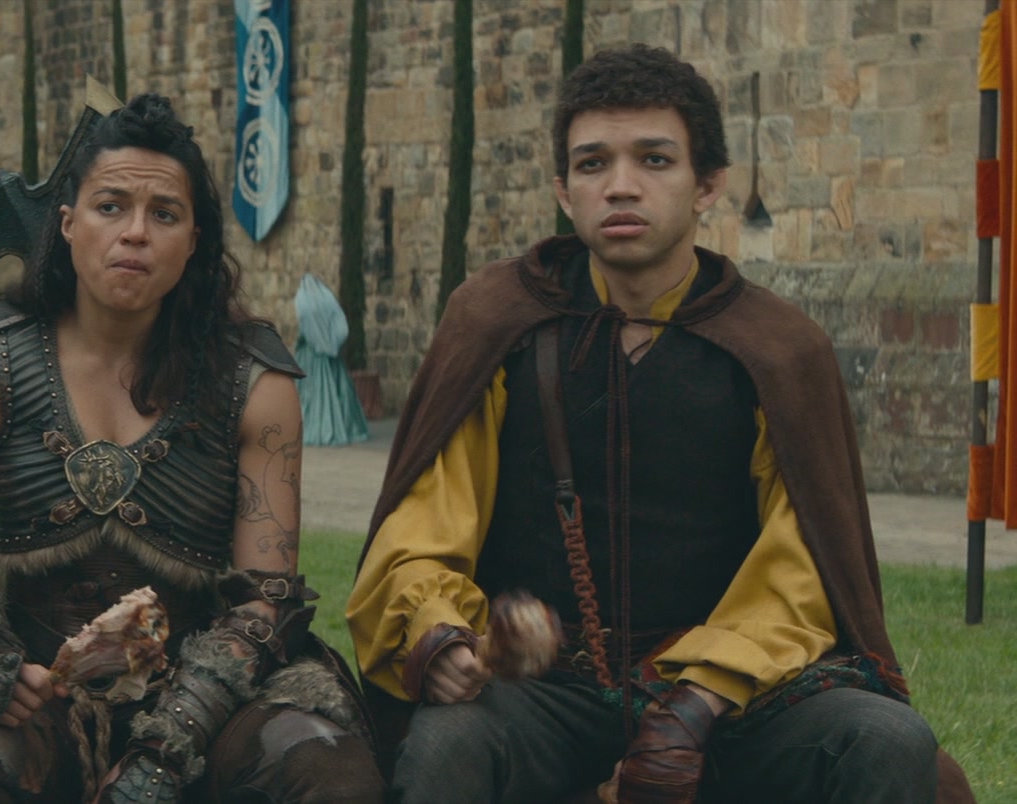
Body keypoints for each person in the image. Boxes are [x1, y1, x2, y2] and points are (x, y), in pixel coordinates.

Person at [346, 45, 971, 803]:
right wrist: (441, 635)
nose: (620, 185)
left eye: (654, 159)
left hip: (730, 699)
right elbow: (421, 527)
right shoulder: (499, 323)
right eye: (592, 163)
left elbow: (801, 570)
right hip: (547, 691)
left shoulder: (777, 349)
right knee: (450, 747)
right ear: (563, 190)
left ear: (707, 184)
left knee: (882, 739)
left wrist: (697, 701)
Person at [0, 94, 382, 802]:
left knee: (326, 768)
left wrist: (168, 744)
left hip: (209, 694)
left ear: (194, 239)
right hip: (34, 681)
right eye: (111, 207)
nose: (135, 233)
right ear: (68, 223)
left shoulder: (254, 384)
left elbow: (264, 604)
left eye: (164, 214)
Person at [292, 273, 371, 447]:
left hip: (310, 358)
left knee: (310, 396)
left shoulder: (304, 303)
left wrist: (301, 344)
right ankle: (344, 427)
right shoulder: (327, 301)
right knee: (339, 393)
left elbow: (305, 330)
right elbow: (339, 325)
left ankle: (312, 428)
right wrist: (332, 344)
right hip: (332, 359)